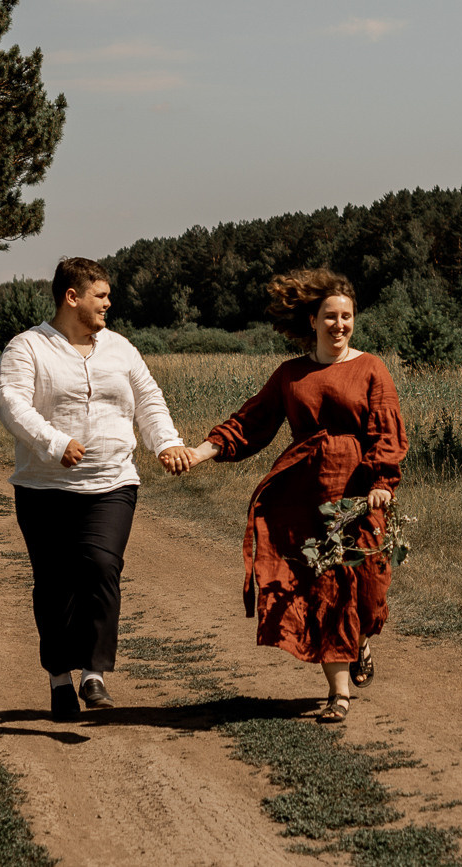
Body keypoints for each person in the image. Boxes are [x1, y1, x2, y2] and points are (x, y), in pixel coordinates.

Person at [180, 269, 407, 723]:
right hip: (305, 494)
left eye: (347, 317)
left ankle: (359, 638)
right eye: (330, 316)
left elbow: (386, 427)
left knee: (369, 590)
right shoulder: (291, 374)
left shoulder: (371, 368)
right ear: (312, 320)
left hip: (360, 493)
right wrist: (199, 453)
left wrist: (382, 483)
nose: (339, 325)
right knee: (326, 586)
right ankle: (338, 693)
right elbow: (251, 422)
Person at [0, 256, 195, 719]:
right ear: (72, 297)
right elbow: (11, 403)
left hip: (112, 482)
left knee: (102, 566)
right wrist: (54, 442)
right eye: (101, 295)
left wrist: (166, 442)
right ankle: (59, 677)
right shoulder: (28, 348)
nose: (109, 303)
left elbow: (148, 398)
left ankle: (93, 672)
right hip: (44, 488)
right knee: (55, 583)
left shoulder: (120, 348)